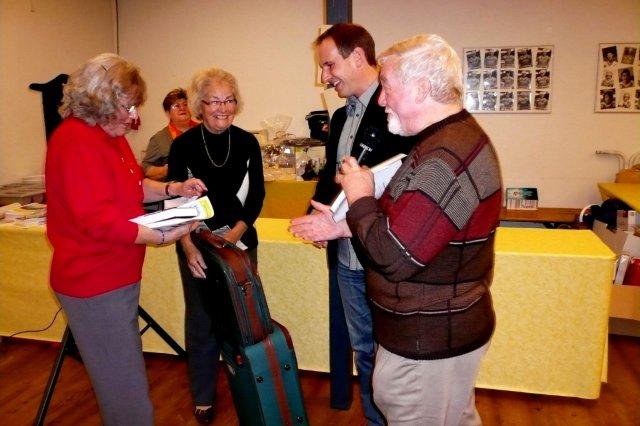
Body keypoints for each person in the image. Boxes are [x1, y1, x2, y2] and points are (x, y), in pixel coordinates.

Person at [294, 33, 502, 425]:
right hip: (438, 334)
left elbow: (393, 257)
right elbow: (410, 226)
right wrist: (344, 228)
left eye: (387, 87)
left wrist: (359, 196)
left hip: (427, 341)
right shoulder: (447, 140)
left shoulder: (443, 157)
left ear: (420, 88)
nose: (382, 99)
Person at [45, 53, 207, 426]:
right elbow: (96, 220)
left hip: (115, 278)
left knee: (124, 383)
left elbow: (134, 185)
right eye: (127, 105)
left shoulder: (109, 135)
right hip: (93, 282)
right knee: (126, 395)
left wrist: (173, 188)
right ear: (100, 100)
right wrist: (158, 235)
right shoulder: (75, 140)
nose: (134, 115)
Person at [293, 23, 410, 426]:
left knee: (390, 358)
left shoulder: (398, 110)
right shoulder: (342, 116)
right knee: (364, 352)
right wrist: (319, 213)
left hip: (384, 259)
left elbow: (404, 187)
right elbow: (333, 176)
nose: (324, 77)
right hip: (348, 259)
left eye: (329, 65)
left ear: (358, 57)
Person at [166, 67, 265, 424]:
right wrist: (188, 247)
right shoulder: (183, 146)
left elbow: (256, 196)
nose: (222, 108)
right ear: (199, 105)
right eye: (213, 101)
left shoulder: (247, 142)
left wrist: (233, 236)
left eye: (229, 100)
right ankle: (204, 394)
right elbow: (175, 203)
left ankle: (252, 389)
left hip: (239, 241)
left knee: (244, 318)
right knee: (202, 320)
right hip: (197, 244)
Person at [141, 88, 198, 181]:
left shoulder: (203, 129)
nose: (182, 108)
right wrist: (166, 170)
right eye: (177, 106)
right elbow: (145, 167)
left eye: (185, 104)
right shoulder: (159, 138)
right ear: (168, 113)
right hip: (177, 187)